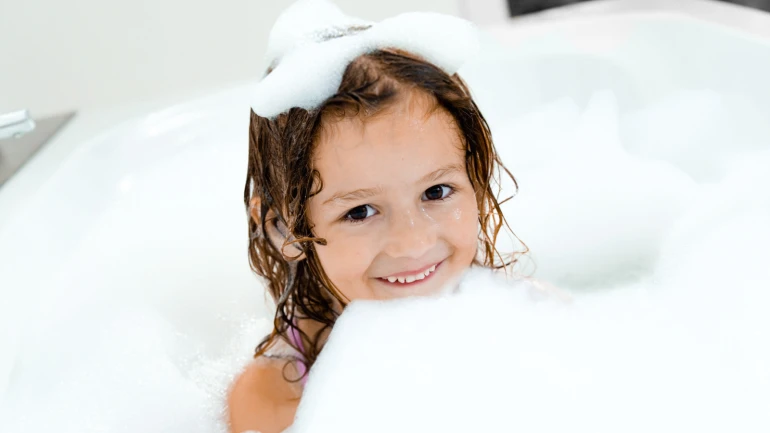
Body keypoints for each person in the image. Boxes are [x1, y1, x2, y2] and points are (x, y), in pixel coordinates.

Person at [227, 1, 526, 432]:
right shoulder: (279, 399)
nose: (414, 242)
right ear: (283, 229)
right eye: (360, 212)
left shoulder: (524, 317)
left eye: (436, 192)